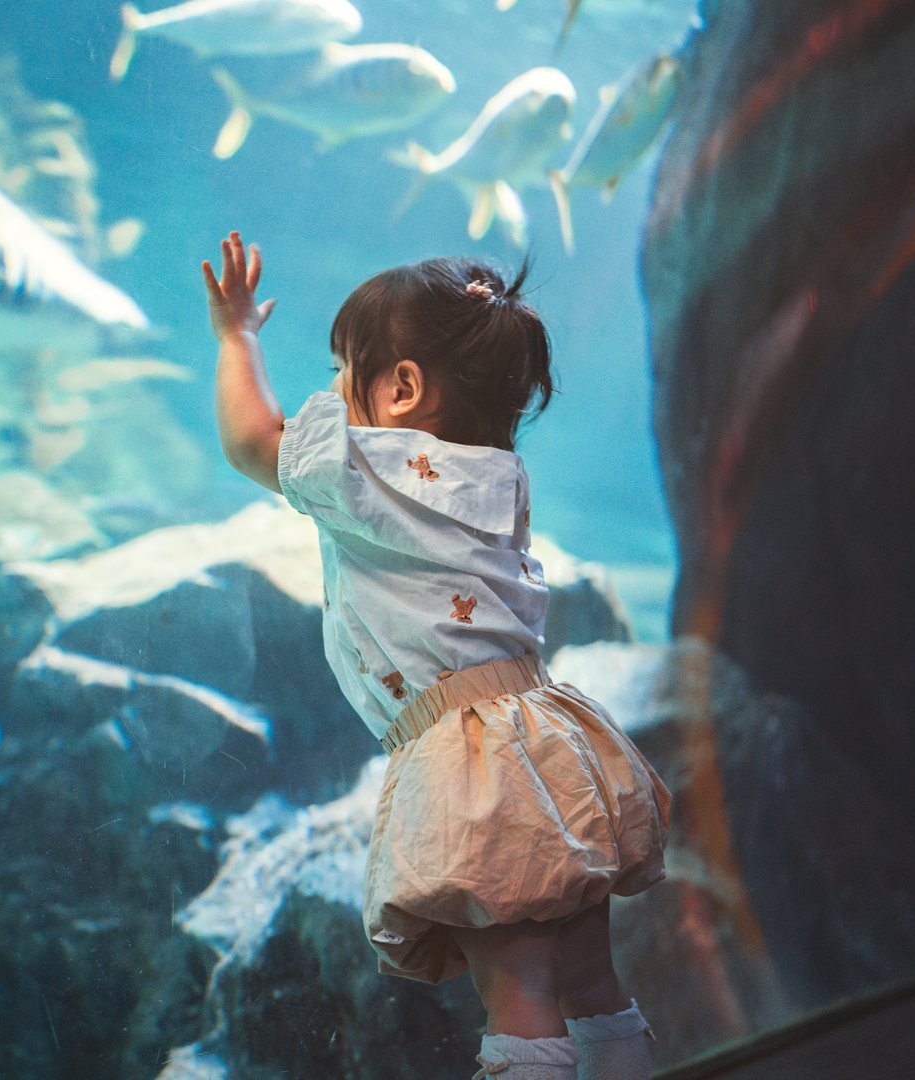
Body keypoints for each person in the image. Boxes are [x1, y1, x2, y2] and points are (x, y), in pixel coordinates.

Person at [202, 230, 674, 1080]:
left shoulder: (371, 472)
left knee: (519, 993)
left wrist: (237, 335)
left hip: (473, 763)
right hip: (550, 748)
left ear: (402, 389)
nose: (334, 395)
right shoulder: (499, 473)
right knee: (591, 981)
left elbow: (250, 440)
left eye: (346, 373)